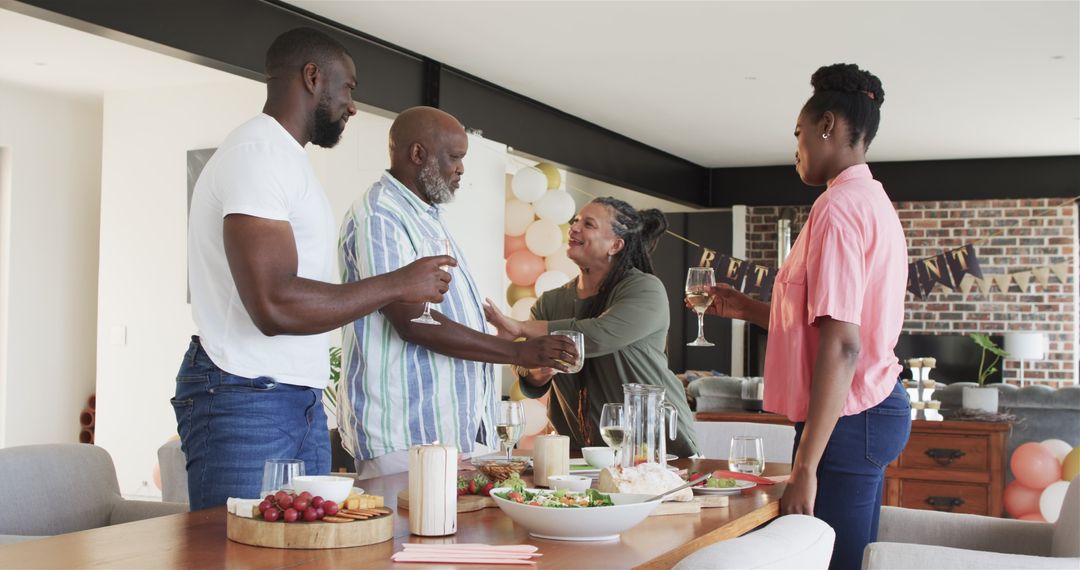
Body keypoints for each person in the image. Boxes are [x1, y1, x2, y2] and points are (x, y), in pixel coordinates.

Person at [176, 28, 455, 510]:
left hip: (290, 397)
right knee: (234, 553)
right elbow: (274, 304)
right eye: (347, 88)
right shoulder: (258, 154)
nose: (352, 106)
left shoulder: (286, 159)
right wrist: (398, 283)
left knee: (303, 554)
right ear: (312, 78)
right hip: (245, 393)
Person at [695, 63, 909, 570]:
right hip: (867, 409)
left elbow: (843, 344)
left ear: (828, 125)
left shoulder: (836, 208)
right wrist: (747, 309)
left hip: (849, 416)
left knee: (831, 562)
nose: (796, 147)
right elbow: (826, 328)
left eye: (800, 132)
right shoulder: (872, 200)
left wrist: (805, 468)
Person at [338, 106, 579, 478]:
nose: (462, 169)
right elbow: (413, 322)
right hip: (405, 434)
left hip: (445, 434)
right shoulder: (381, 215)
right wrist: (516, 351)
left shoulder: (425, 216)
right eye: (455, 157)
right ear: (417, 154)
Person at [485, 197, 699, 458]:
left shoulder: (645, 289)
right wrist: (537, 372)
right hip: (580, 451)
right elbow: (527, 371)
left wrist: (520, 327)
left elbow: (597, 335)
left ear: (615, 245)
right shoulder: (551, 302)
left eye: (588, 224)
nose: (574, 228)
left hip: (657, 446)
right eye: (575, 221)